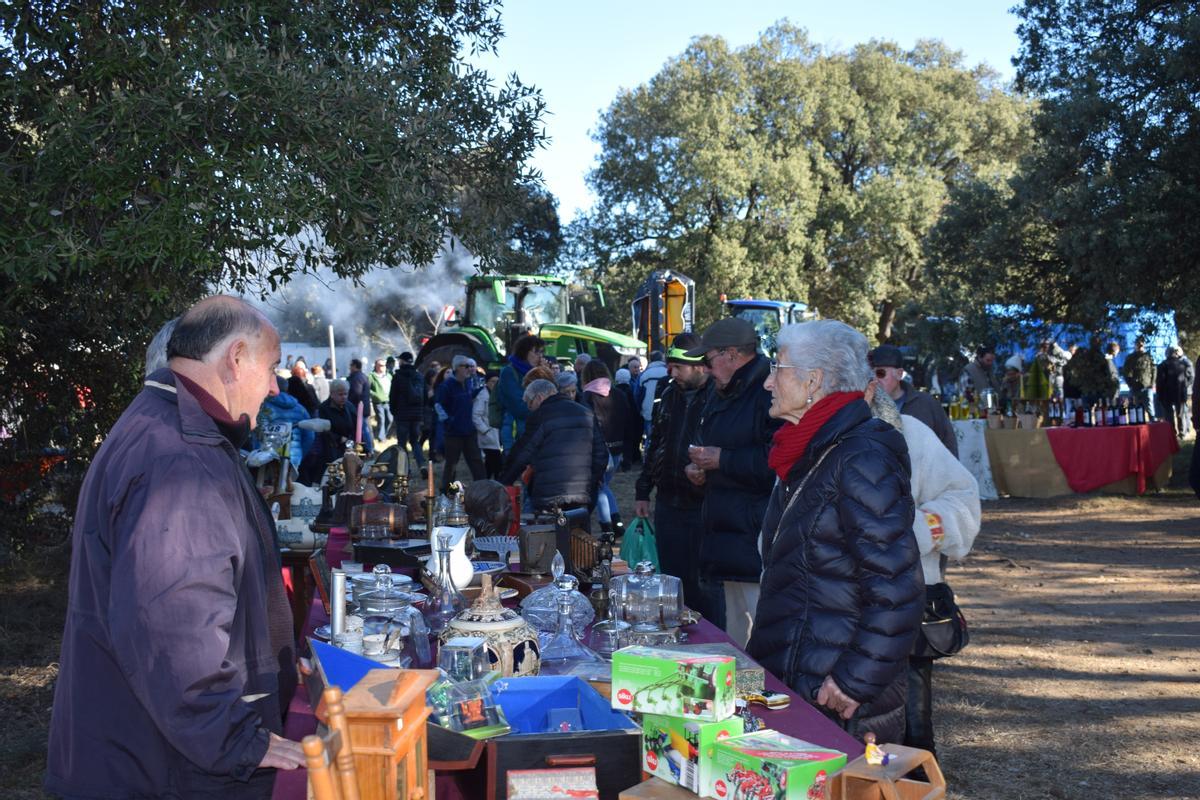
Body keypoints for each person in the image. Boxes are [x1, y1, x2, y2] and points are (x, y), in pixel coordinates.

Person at [46, 296, 305, 798]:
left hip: (139, 748)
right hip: (160, 766)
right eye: (271, 368)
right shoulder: (179, 457)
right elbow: (173, 629)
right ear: (235, 358)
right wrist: (236, 740)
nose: (275, 386)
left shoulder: (166, 427)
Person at [745, 320, 923, 745]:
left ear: (813, 381)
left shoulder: (859, 457)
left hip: (832, 691)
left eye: (778, 369)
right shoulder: (809, 451)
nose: (768, 382)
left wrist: (853, 681)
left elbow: (897, 588)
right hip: (798, 673)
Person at [865, 383, 980, 756]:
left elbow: (963, 498)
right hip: (832, 613)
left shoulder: (910, 431)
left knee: (912, 725)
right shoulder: (802, 437)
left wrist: (914, 531)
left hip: (908, 599)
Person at [683, 317, 780, 643]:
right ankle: (743, 692)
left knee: (759, 633)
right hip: (728, 533)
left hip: (756, 536)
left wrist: (722, 459)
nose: (707, 370)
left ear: (732, 355)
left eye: (708, 361)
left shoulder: (769, 390)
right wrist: (700, 469)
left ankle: (763, 694)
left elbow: (779, 462)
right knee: (738, 633)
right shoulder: (722, 390)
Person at [634, 333, 711, 618]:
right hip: (668, 502)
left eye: (678, 367)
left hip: (702, 505)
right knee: (670, 581)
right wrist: (644, 490)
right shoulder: (668, 395)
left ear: (700, 366)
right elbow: (655, 443)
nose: (671, 372)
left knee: (699, 585)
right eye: (670, 365)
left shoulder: (716, 397)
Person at [500, 378, 607, 513]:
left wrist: (503, 482)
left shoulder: (541, 416)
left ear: (539, 398)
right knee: (578, 532)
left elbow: (522, 453)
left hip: (548, 495)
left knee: (546, 533)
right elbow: (601, 454)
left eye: (529, 404)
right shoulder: (585, 412)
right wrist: (590, 483)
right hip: (581, 495)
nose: (529, 409)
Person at [868, 344, 957, 456]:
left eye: (880, 373)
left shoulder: (927, 404)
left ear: (899, 374)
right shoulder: (864, 406)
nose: (874, 380)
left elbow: (949, 445)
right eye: (870, 374)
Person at [581, 360, 631, 534]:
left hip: (599, 449)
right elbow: (627, 420)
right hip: (617, 448)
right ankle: (615, 523)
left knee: (599, 486)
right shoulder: (618, 394)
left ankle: (608, 525)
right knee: (604, 485)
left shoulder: (586, 396)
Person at [435, 355, 487, 492]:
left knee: (476, 462)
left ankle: (483, 489)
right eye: (466, 366)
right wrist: (449, 422)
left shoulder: (469, 382)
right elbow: (438, 406)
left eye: (471, 366)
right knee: (451, 464)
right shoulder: (446, 386)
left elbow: (471, 396)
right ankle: (446, 492)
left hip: (469, 431)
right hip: (453, 433)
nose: (470, 369)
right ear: (457, 368)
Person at [498, 335, 547, 451]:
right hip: (515, 435)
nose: (540, 357)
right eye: (536, 352)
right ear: (524, 352)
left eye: (542, 353)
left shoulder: (536, 372)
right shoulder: (509, 372)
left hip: (534, 432)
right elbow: (519, 406)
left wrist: (545, 374)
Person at [389, 351, 427, 469]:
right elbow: (425, 396)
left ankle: (405, 469)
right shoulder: (419, 376)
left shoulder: (398, 376)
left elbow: (393, 397)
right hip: (416, 416)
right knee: (415, 441)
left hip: (402, 415)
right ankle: (422, 465)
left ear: (402, 361)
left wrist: (394, 411)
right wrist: (421, 413)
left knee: (402, 443)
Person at [474, 374, 504, 479]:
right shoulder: (483, 396)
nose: (495, 384)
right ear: (487, 382)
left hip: (495, 434)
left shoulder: (497, 394)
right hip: (488, 435)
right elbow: (476, 415)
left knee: (490, 465)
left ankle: (486, 484)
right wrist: (485, 430)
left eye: (497, 381)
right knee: (497, 464)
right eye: (492, 381)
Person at [1157, 346, 1190, 438]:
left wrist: (1159, 394)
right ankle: (1182, 432)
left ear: (1166, 354)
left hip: (1166, 394)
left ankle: (1171, 433)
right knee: (1180, 413)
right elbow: (1186, 379)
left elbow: (1160, 382)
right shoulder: (1182, 364)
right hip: (1180, 392)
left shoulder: (1162, 365)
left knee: (1169, 415)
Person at [614, 368, 643, 470]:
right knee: (628, 442)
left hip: (616, 422)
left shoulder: (614, 392)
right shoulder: (631, 391)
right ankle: (627, 462)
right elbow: (634, 408)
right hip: (630, 421)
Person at [638, 351, 669, 431]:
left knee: (650, 437)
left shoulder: (645, 374)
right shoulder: (668, 372)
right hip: (665, 411)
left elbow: (639, 395)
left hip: (648, 410)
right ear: (662, 359)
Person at [1122, 337, 1155, 411]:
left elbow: (1154, 370)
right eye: (1138, 345)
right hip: (1135, 386)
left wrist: (1152, 383)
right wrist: (1129, 383)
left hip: (1146, 386)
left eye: (1142, 345)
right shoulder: (1130, 357)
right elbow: (1125, 372)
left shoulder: (1148, 356)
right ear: (1135, 345)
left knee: (1149, 408)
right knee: (1136, 408)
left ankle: (1152, 421)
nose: (1140, 347)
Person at [369, 358, 392, 442]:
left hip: (388, 401)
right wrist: (375, 395)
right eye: (381, 365)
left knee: (390, 419)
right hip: (378, 402)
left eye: (384, 365)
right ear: (376, 366)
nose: (383, 367)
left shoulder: (389, 375)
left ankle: (383, 434)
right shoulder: (371, 376)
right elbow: (367, 388)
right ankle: (381, 438)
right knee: (381, 419)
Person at [347, 358, 370, 423]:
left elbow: (356, 393)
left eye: (351, 365)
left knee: (362, 429)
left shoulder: (357, 378)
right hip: (362, 408)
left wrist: (347, 403)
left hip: (358, 409)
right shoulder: (362, 376)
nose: (349, 368)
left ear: (354, 366)